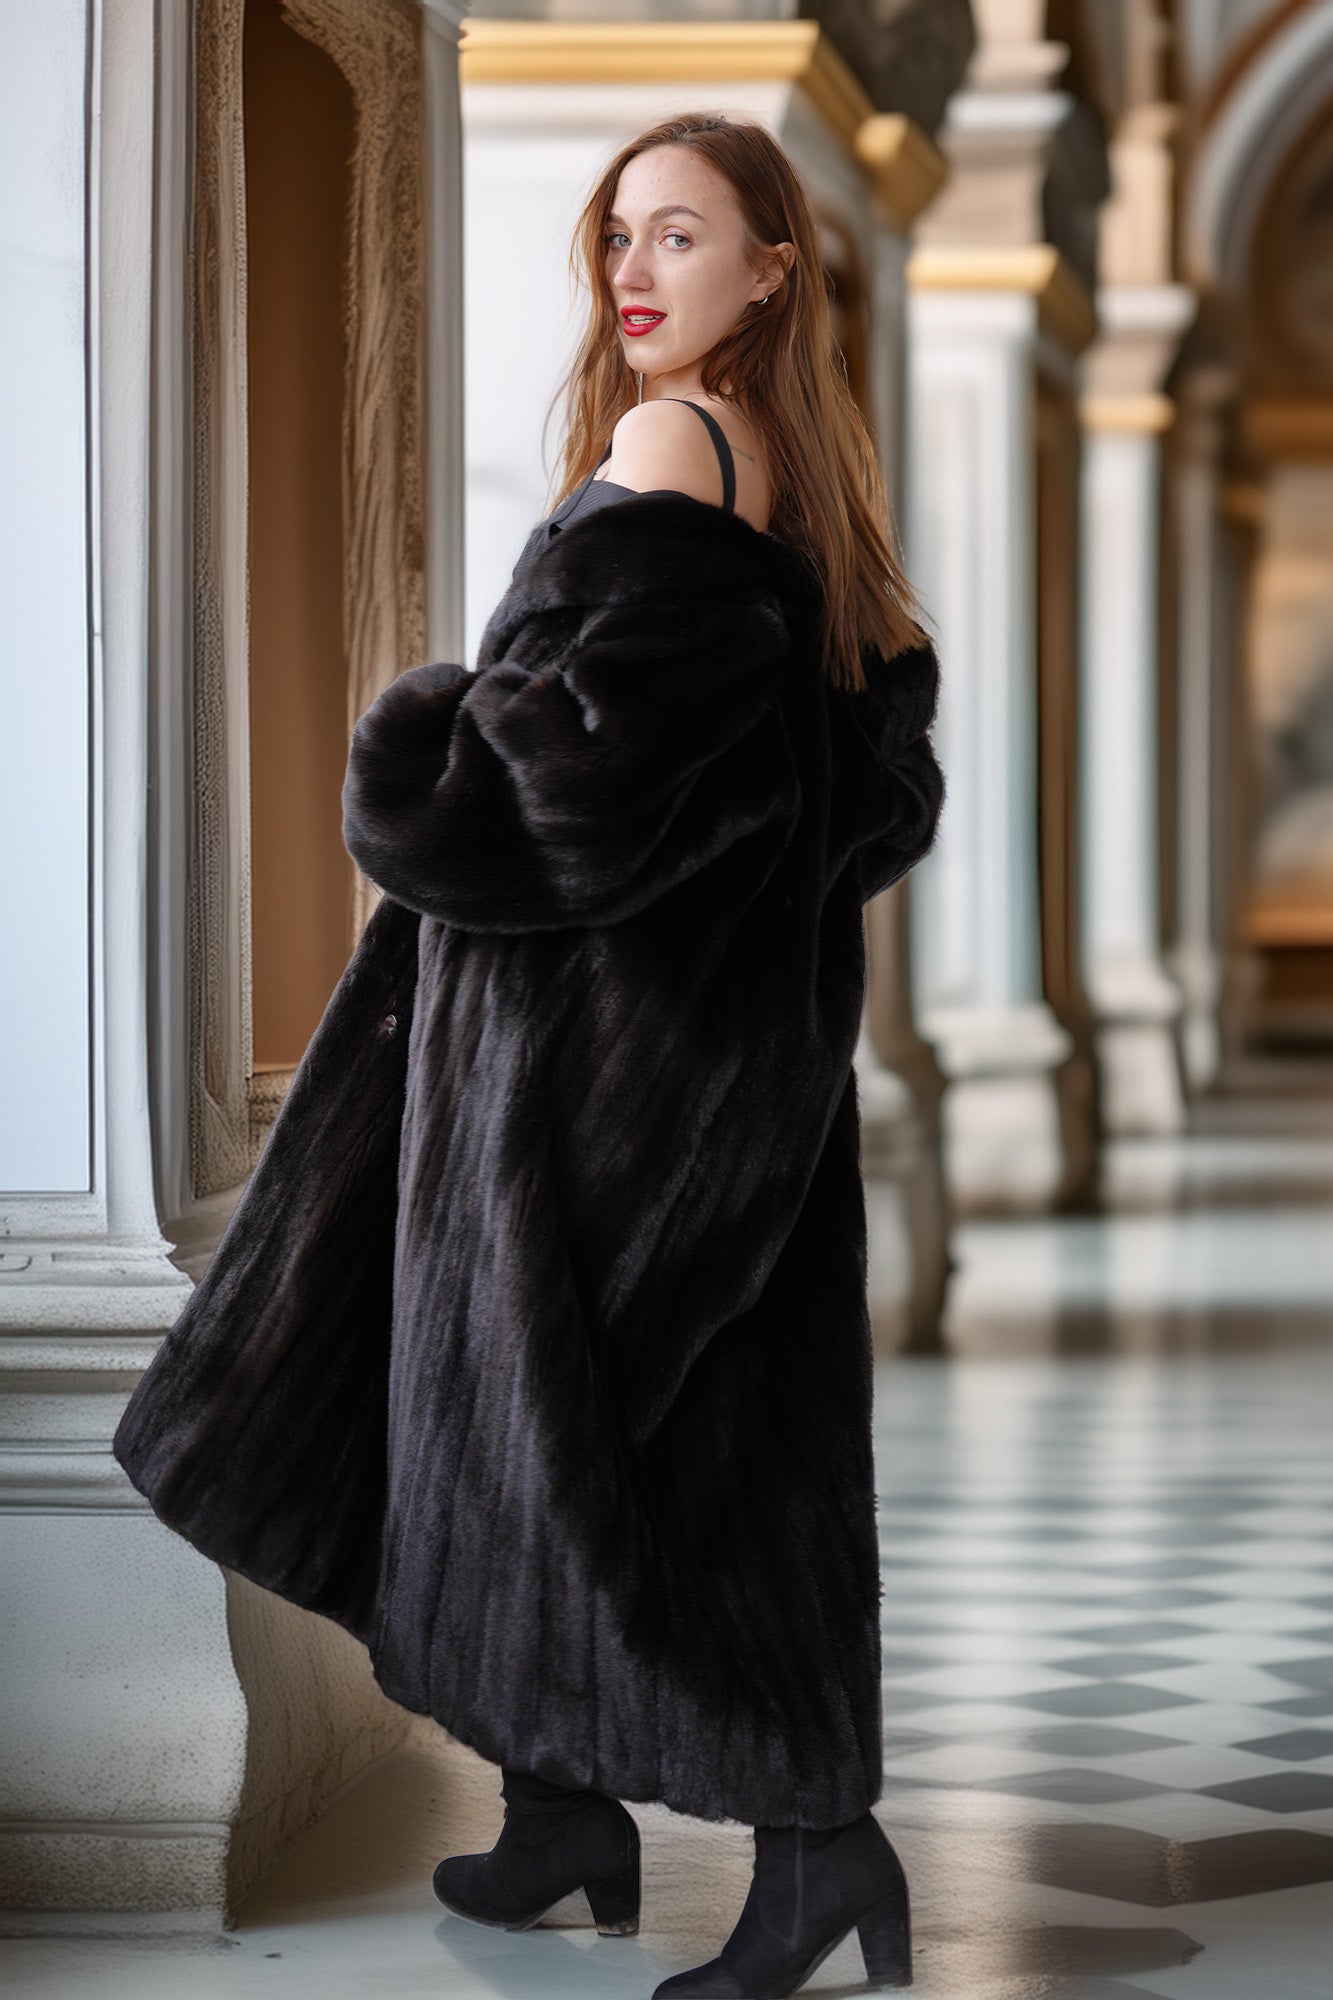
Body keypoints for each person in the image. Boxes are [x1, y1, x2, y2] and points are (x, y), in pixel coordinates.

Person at [112, 111, 942, 1998]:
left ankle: (813, 1847)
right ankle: (564, 1810)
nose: (634, 273)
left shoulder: (669, 442)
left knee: (574, 1440)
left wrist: (420, 737)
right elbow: (816, 796)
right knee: (659, 1429)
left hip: (587, 1067)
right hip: (709, 1059)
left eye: (679, 235)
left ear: (770, 267)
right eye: (615, 236)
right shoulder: (799, 486)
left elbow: (559, 794)